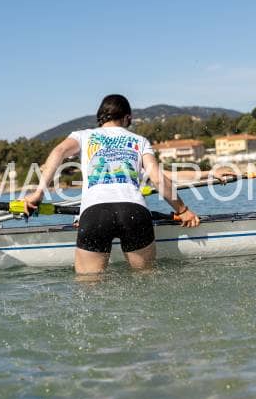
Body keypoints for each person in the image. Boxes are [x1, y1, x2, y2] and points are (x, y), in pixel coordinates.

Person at [24, 94, 200, 274]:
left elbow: (59, 151)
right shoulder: (140, 141)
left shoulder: (82, 136)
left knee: (89, 285)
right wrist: (182, 210)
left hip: (95, 214)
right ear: (127, 118)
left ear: (101, 116)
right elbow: (157, 178)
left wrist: (38, 193)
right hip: (134, 212)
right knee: (146, 281)